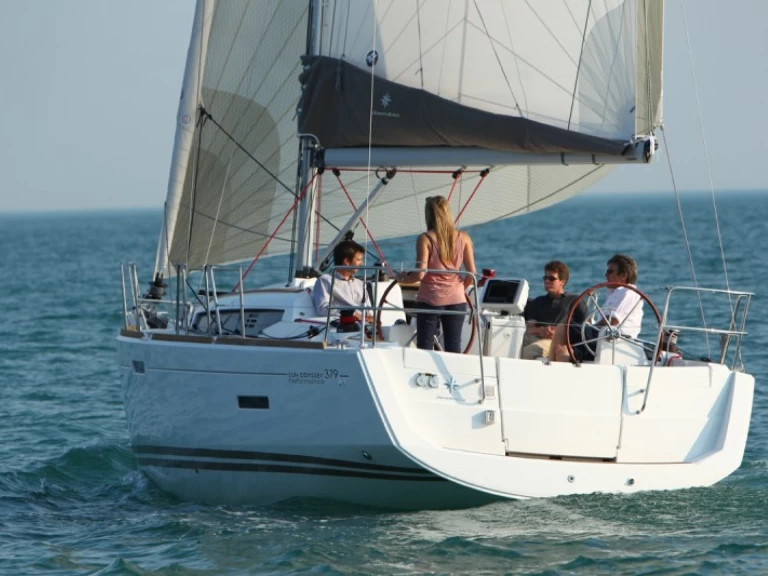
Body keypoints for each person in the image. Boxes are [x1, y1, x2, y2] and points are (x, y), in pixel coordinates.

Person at [396, 196, 476, 353]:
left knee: (425, 347)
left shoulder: (425, 239)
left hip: (430, 299)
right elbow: (471, 274)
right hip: (457, 299)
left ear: (429, 215)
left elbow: (420, 274)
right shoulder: (464, 238)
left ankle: (425, 377)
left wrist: (403, 278)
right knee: (454, 347)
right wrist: (459, 288)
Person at [549, 254, 644, 363]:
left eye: (610, 272)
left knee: (563, 329)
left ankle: (550, 364)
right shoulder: (616, 293)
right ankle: (550, 365)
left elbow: (613, 321)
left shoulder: (629, 292)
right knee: (563, 348)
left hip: (614, 341)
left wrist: (589, 328)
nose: (606, 275)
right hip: (603, 338)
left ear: (623, 275)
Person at [521, 261, 586, 360]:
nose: (547, 281)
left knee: (528, 352)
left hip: (556, 341)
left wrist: (557, 333)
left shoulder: (575, 301)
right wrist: (542, 330)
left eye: (551, 278)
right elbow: (529, 328)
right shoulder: (537, 302)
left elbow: (584, 328)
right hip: (533, 337)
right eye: (545, 278)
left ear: (562, 282)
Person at [312, 240, 372, 322]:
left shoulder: (360, 284)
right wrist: (352, 314)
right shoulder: (326, 281)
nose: (361, 264)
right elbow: (322, 309)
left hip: (363, 327)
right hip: (341, 326)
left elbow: (368, 310)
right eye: (358, 260)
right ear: (347, 261)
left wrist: (371, 317)